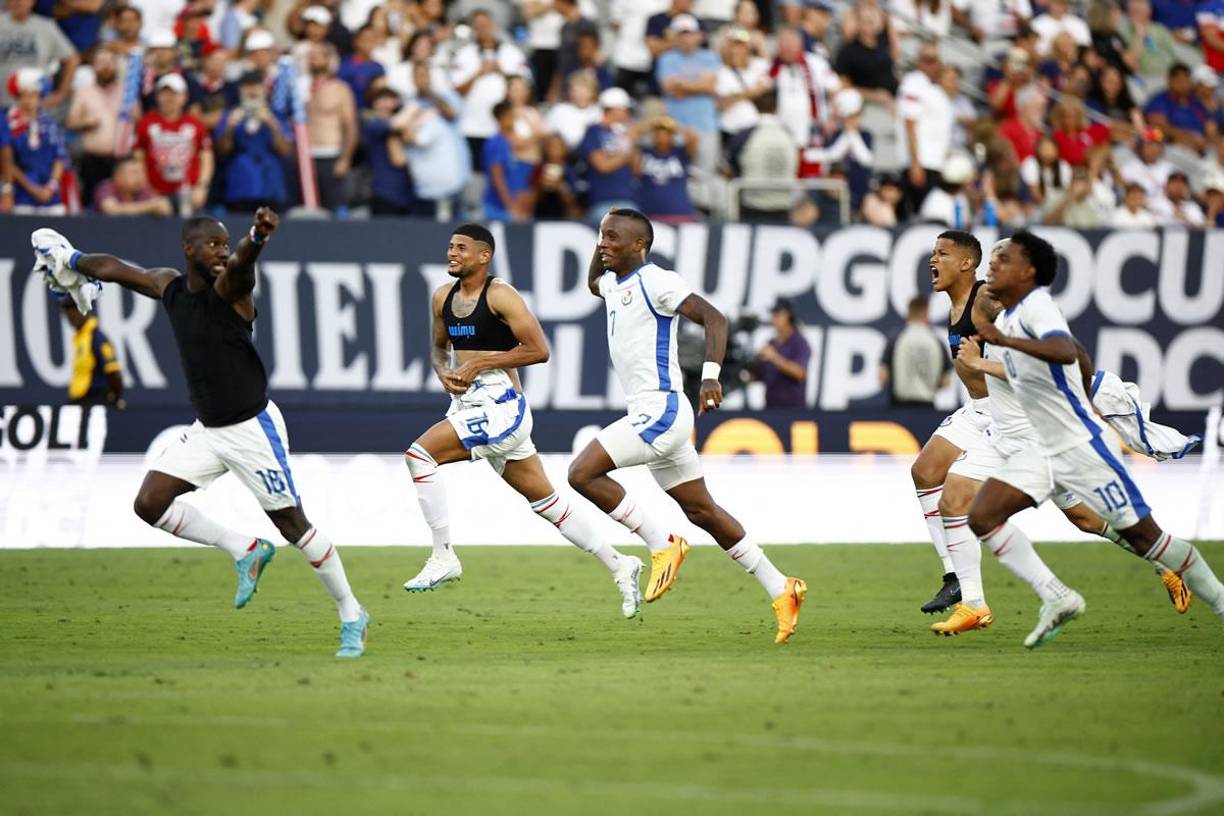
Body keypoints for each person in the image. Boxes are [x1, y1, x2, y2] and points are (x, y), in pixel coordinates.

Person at [31, 210, 369, 657]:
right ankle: (244, 549)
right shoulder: (169, 287)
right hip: (209, 431)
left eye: (226, 244)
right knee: (148, 503)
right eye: (213, 244)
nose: (222, 251)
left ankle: (351, 612)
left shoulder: (232, 290)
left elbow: (242, 265)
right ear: (188, 249)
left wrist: (256, 238)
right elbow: (113, 269)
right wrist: (73, 258)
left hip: (252, 430)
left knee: (293, 525)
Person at [967, 230, 1224, 646]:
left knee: (1148, 539)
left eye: (1004, 258)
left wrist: (1003, 344)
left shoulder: (1036, 307)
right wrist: (1079, 393)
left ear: (1028, 271)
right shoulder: (1011, 316)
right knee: (982, 516)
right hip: (1041, 448)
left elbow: (1065, 350)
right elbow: (1082, 357)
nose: (993, 264)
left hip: (1080, 447)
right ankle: (1057, 597)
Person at [567, 208, 808, 644]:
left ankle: (662, 543)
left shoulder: (656, 280)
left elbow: (715, 318)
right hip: (658, 416)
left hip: (660, 409)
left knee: (581, 473)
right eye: (602, 236)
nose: (604, 244)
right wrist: (602, 231)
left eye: (613, 238)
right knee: (703, 511)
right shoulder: (613, 283)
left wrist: (712, 375)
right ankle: (782, 586)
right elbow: (591, 283)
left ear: (640, 245)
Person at [401, 224, 644, 617]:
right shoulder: (442, 297)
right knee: (547, 503)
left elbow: (539, 349)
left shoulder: (501, 295)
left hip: (501, 404)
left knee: (418, 456)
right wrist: (442, 372)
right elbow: (437, 347)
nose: (452, 253)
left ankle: (443, 555)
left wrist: (480, 362)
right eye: (450, 247)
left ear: (484, 256)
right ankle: (620, 564)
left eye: (462, 248)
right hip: (469, 405)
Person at [908, 230, 994, 615]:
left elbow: (1031, 333)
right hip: (977, 409)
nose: (933, 261)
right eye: (932, 253)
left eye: (942, 253)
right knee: (925, 471)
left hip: (1013, 416)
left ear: (967, 263)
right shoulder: (955, 304)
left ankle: (1163, 557)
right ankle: (954, 578)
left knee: (1082, 516)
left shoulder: (986, 298)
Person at [135, 73, 214, 213]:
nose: (169, 99)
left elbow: (206, 157)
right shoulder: (146, 123)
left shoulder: (195, 124)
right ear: (157, 96)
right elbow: (138, 157)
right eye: (165, 94)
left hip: (188, 192)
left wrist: (202, 187)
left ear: (184, 97)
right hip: (156, 193)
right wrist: (145, 188)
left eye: (174, 94)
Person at [214, 72, 291, 213]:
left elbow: (285, 150)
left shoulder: (276, 115)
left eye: (256, 86)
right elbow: (222, 151)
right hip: (240, 186)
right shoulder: (230, 115)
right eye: (247, 87)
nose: (252, 91)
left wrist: (273, 125)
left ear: (263, 89)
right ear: (240, 90)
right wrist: (229, 128)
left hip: (270, 187)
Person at [67, 48, 129, 208]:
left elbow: (139, 119)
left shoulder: (127, 92)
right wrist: (86, 123)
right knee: (92, 203)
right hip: (93, 161)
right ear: (93, 67)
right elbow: (71, 122)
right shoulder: (84, 92)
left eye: (110, 62)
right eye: (101, 63)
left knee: (120, 204)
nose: (106, 67)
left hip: (121, 161)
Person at [304, 42, 358, 212]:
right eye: (310, 56)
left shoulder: (340, 89)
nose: (313, 59)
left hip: (330, 155)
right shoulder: (301, 87)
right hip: (305, 157)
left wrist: (345, 158)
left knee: (336, 207)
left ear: (328, 60)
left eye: (318, 55)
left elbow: (350, 126)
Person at [5, 68, 67, 215]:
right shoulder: (8, 123)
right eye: (24, 96)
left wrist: (51, 186)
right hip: (22, 196)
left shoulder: (49, 123)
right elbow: (7, 162)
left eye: (33, 95)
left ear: (40, 97)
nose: (28, 101)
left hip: (50, 195)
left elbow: (60, 157)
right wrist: (32, 188)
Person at [0, 0, 80, 108]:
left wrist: (61, 94)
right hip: (2, 104)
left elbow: (72, 59)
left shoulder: (46, 26)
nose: (18, 2)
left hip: (36, 106)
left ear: (32, 2)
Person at [579, 87, 641, 219]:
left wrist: (633, 143)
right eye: (624, 109)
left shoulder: (623, 132)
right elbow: (602, 166)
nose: (627, 113)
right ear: (613, 109)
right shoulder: (594, 131)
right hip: (603, 200)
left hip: (628, 199)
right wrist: (625, 153)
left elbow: (637, 169)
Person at [880, 294, 950, 408]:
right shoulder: (937, 342)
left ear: (908, 314)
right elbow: (946, 382)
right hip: (927, 407)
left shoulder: (896, 339)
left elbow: (883, 376)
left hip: (898, 407)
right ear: (927, 314)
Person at [633, 116, 697, 222]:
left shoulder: (680, 153)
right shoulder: (645, 152)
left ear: (672, 136)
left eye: (666, 133)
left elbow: (694, 138)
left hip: (679, 212)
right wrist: (652, 123)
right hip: (649, 212)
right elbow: (632, 135)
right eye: (658, 133)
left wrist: (675, 126)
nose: (661, 136)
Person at [750, 298, 811, 409]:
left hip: (793, 411)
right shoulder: (771, 343)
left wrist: (774, 358)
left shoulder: (799, 343)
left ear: (789, 316)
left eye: (778, 314)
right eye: (773, 314)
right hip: (771, 408)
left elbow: (800, 373)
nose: (774, 319)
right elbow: (760, 377)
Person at [62, 300, 124, 409]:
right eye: (67, 310)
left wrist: (114, 400)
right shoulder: (81, 337)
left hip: (94, 403)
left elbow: (114, 372)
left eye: (75, 308)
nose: (70, 314)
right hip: (81, 402)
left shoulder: (97, 338)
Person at [482, 100, 536, 222]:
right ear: (501, 118)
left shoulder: (510, 143)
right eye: (511, 116)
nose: (513, 120)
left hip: (516, 206)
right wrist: (510, 207)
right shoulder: (497, 143)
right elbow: (497, 177)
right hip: (498, 208)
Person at [93, 156, 174, 216]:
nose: (139, 177)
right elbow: (111, 209)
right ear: (118, 176)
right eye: (134, 173)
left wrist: (159, 207)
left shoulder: (144, 190)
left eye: (141, 173)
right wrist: (150, 206)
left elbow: (164, 208)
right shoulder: (106, 187)